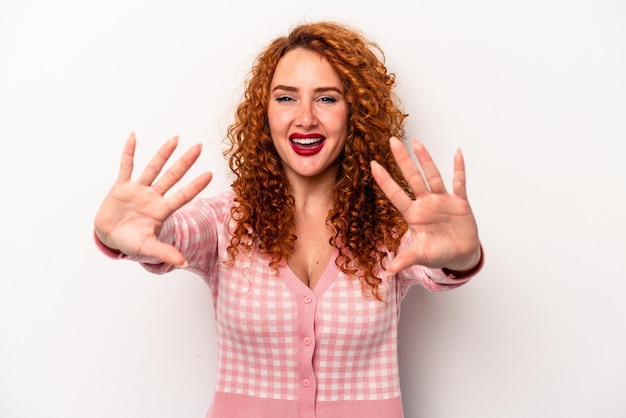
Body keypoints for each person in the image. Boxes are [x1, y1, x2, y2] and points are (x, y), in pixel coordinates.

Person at [94, 21, 483, 418]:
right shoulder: (225, 220)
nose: (306, 118)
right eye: (286, 98)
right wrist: (127, 235)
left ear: (356, 114)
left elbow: (439, 266)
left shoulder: (389, 225)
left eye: (327, 99)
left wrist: (461, 257)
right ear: (264, 113)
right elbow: (175, 234)